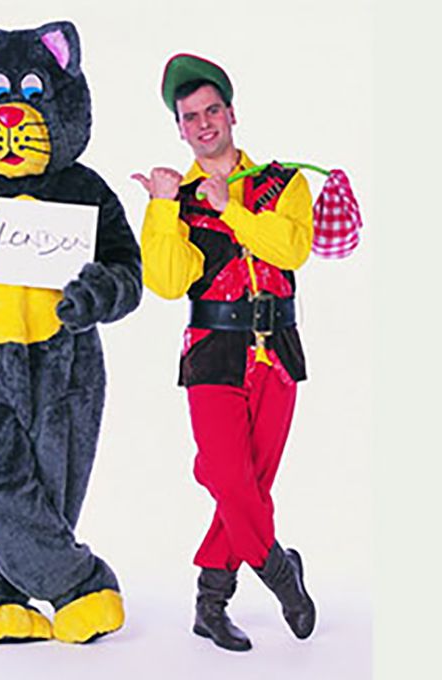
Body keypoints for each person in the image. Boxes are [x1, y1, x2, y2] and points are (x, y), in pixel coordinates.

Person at [132, 54, 316, 652]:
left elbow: (291, 250)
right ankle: (280, 573)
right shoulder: (176, 200)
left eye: (212, 110)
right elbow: (167, 281)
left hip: (277, 352)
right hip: (212, 352)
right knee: (229, 477)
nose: (204, 123)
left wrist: (230, 209)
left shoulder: (284, 183)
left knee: (247, 484)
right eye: (191, 117)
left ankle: (210, 604)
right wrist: (163, 206)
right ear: (180, 129)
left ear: (232, 114)